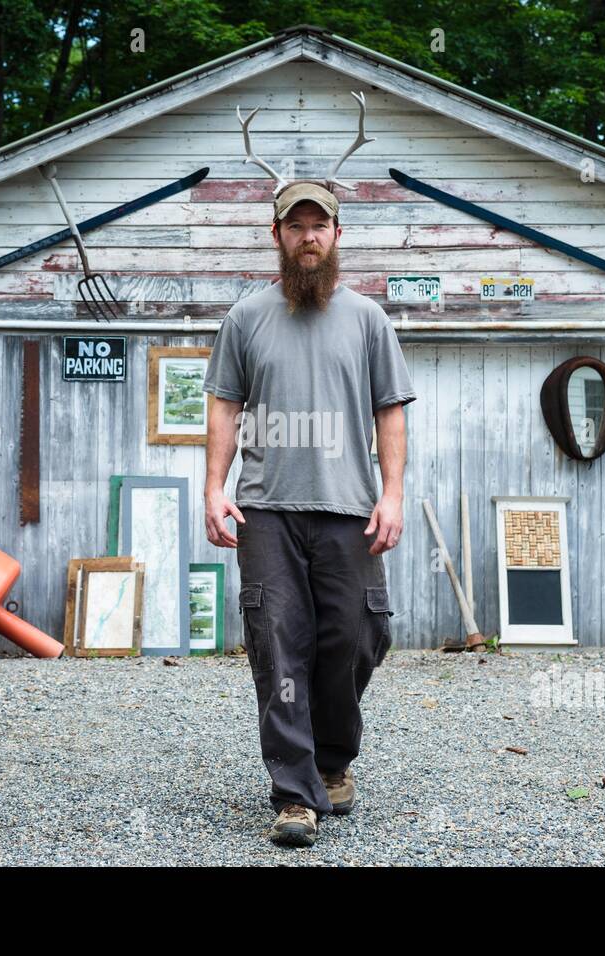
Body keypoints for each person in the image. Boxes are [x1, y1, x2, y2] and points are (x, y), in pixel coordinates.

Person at [201, 180, 417, 847]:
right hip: (266, 511)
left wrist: (393, 493)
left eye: (318, 225)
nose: (307, 237)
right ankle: (295, 796)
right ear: (277, 236)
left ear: (337, 234)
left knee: (356, 640)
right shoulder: (246, 318)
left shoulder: (367, 319)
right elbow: (224, 408)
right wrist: (214, 486)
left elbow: (391, 411)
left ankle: (332, 760)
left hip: (349, 511)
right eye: (294, 227)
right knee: (277, 644)